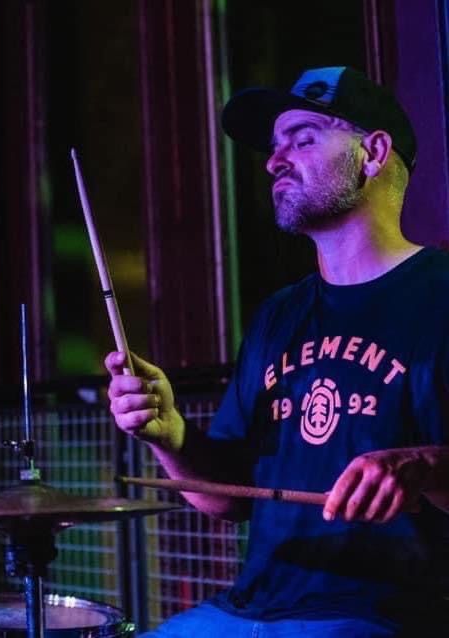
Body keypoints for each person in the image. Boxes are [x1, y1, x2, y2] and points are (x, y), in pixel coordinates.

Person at [105, 66, 449, 637]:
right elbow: (227, 500)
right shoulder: (278, 317)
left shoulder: (441, 294)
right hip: (250, 609)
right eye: (274, 146)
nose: (273, 161)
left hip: (380, 615)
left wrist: (426, 465)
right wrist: (171, 436)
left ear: (373, 154)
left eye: (303, 139)